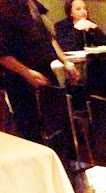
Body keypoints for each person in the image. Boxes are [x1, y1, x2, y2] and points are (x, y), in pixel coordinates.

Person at [0, 0, 79, 141]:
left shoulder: (35, 5)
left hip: (45, 71)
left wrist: (65, 61)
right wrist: (27, 72)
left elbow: (49, 38)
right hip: (20, 79)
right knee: (31, 128)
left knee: (58, 124)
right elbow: (3, 55)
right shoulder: (5, 9)